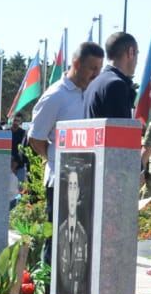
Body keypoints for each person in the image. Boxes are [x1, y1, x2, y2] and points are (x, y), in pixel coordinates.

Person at [30, 41, 105, 203]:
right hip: (61, 183)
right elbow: (36, 138)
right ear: (76, 64)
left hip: (89, 182)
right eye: (92, 68)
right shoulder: (55, 96)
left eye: (99, 69)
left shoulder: (94, 94)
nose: (96, 75)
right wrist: (55, 158)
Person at [55, 165, 90, 294]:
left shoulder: (84, 235)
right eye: (70, 186)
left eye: (75, 187)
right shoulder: (61, 231)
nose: (72, 192)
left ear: (78, 192)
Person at [84, 32, 139, 119]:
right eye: (137, 53)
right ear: (131, 52)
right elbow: (122, 130)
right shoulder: (116, 85)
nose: (137, 61)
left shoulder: (93, 84)